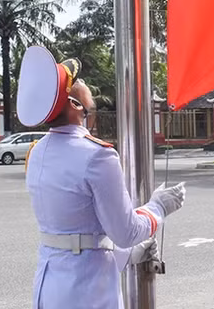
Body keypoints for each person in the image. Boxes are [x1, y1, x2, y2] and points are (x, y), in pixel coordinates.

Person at [18, 45, 185, 309]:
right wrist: (158, 208)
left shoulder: (36, 153)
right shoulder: (98, 156)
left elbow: (74, 235)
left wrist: (128, 256)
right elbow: (126, 232)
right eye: (89, 109)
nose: (90, 115)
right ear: (75, 107)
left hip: (49, 287)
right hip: (85, 292)